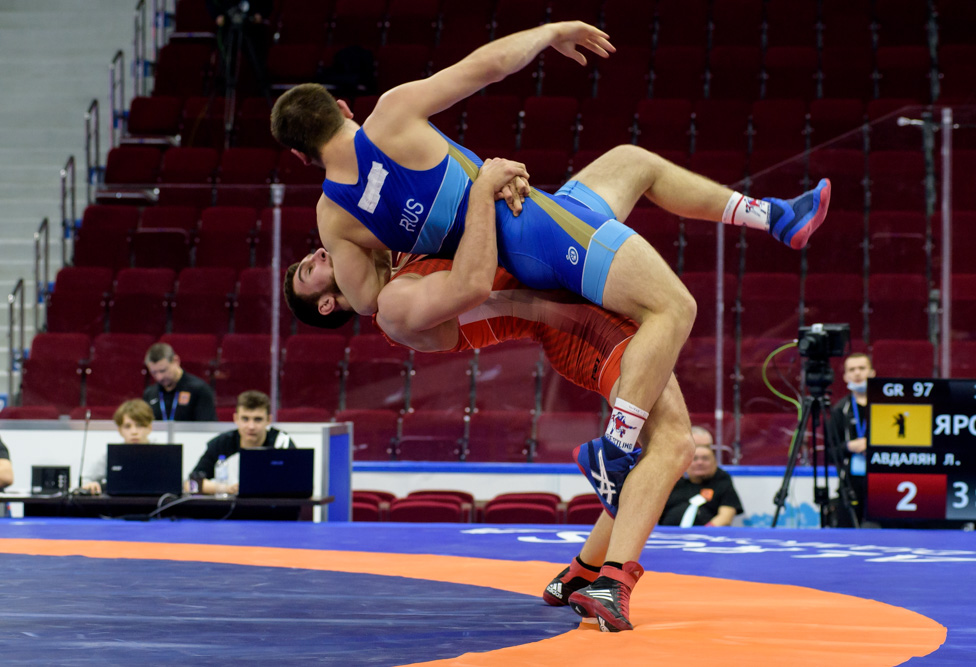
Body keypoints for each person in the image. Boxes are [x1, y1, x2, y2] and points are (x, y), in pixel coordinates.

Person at [272, 20, 830, 544]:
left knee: (633, 162)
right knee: (673, 308)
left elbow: (366, 301)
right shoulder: (390, 115)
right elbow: (486, 66)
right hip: (530, 232)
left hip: (536, 221)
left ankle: (773, 216)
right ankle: (615, 449)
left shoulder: (334, 216)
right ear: (343, 107)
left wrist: (399, 240)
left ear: (300, 155)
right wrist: (549, 32)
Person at [286, 158, 696, 632]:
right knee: (674, 443)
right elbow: (482, 287)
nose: (319, 252)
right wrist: (490, 192)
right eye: (309, 268)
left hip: (574, 286)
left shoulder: (399, 250)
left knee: (633, 159)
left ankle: (584, 571)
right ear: (327, 303)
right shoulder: (394, 305)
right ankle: (611, 579)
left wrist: (511, 189)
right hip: (579, 323)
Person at [188, 390, 294, 495]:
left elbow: (297, 482)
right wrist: (227, 488)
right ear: (236, 418)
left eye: (258, 419)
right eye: (245, 419)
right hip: (231, 505)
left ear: (269, 420)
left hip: (272, 505)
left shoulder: (281, 441)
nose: (251, 426)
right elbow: (190, 484)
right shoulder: (222, 443)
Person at [658, 428, 744, 527]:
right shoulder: (669, 477)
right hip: (666, 533)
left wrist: (703, 532)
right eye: (695, 457)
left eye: (706, 448)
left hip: (706, 533)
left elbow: (725, 517)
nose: (700, 462)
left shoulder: (722, 478)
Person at [830, 352, 875, 526]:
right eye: (852, 369)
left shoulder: (885, 406)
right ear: (845, 376)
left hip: (882, 480)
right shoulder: (840, 409)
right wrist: (849, 446)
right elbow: (830, 452)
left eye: (862, 368)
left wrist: (872, 446)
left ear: (872, 373)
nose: (857, 373)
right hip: (850, 482)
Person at [79, 399, 155, 496]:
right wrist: (89, 484)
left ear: (149, 428)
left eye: (139, 425)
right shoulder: (112, 455)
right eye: (127, 426)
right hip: (118, 503)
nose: (134, 432)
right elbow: (85, 479)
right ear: (120, 430)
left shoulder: (162, 454)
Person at [143, 343, 217, 422]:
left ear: (176, 361)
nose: (159, 377)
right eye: (154, 372)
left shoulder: (199, 390)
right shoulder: (150, 393)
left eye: (163, 370)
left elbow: (207, 427)